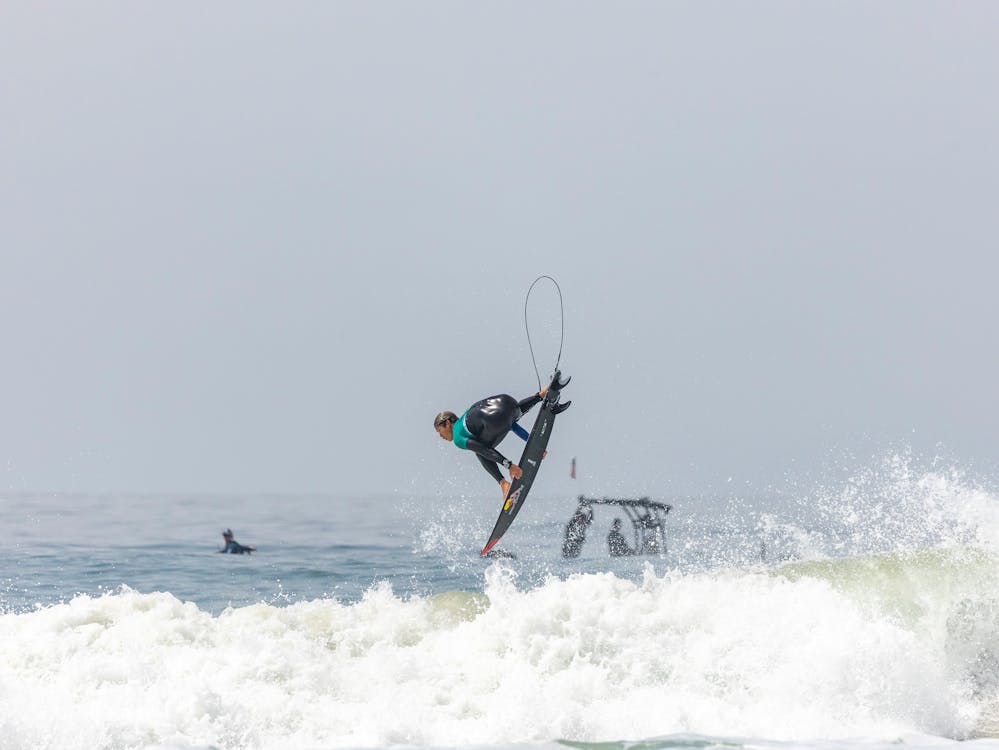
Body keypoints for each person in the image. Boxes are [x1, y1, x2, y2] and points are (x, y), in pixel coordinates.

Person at [434, 378, 567, 501]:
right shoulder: (467, 413)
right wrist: (533, 443)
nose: (441, 437)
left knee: (479, 451)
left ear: (447, 423)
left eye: (440, 431)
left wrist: (509, 465)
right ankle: (541, 394)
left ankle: (503, 483)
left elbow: (483, 449)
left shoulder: (457, 437)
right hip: (508, 402)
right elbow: (510, 424)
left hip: (496, 421)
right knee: (513, 415)